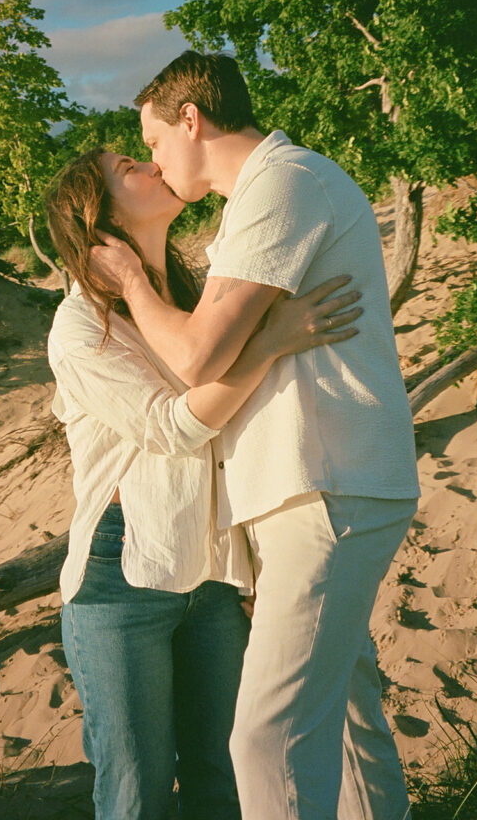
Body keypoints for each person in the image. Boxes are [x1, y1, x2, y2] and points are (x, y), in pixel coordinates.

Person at [89, 51, 421, 820]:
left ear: (191, 120)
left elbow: (200, 354)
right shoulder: (263, 195)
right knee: (340, 724)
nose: (157, 162)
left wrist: (133, 282)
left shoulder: (282, 182)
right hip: (311, 484)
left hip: (324, 483)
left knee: (263, 743)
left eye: (155, 142)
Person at [43, 146, 363, 820]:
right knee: (137, 794)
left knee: (224, 784)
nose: (153, 166)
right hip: (119, 575)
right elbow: (172, 428)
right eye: (131, 165)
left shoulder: (194, 301)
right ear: (97, 212)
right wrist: (271, 342)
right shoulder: (79, 327)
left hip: (213, 568)